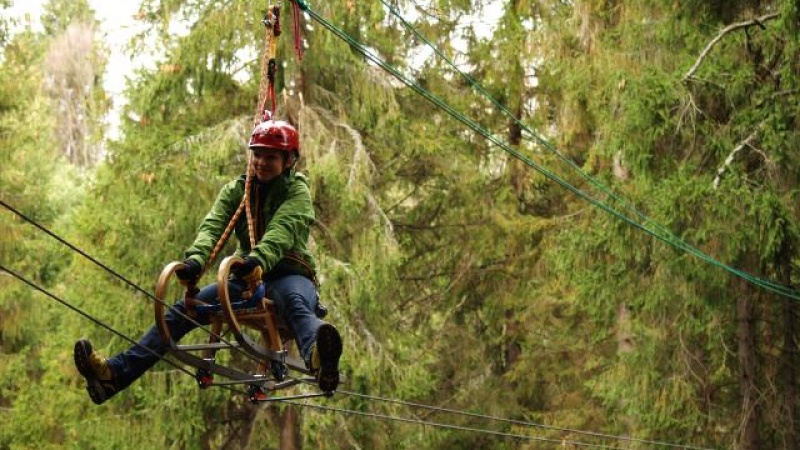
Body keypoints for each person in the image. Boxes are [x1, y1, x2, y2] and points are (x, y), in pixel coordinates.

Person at [73, 119, 342, 405]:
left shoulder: (297, 192)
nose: (262, 162)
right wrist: (195, 261)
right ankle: (113, 376)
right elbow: (213, 228)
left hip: (290, 274)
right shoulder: (237, 192)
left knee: (296, 303)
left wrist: (257, 259)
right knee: (181, 312)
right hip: (246, 280)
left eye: (271, 157)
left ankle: (320, 358)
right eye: (257, 155)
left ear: (289, 161)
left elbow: (283, 230)